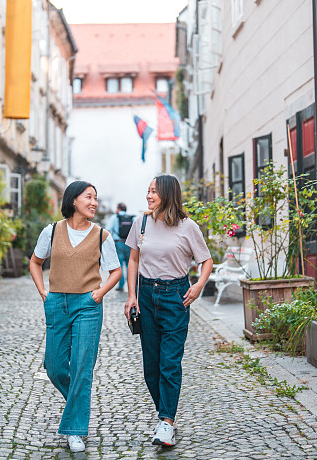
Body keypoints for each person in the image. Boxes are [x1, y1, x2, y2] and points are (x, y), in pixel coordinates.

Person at [29, 181, 122, 453]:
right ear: (73, 200)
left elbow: (115, 271)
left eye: (95, 198)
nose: (94, 202)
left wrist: (99, 293)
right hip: (57, 303)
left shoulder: (102, 235)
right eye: (88, 197)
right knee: (54, 367)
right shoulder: (52, 231)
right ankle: (78, 404)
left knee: (82, 367)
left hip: (87, 306)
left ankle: (75, 430)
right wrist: (43, 292)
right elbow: (35, 262)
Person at [123, 175, 213, 447]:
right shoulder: (141, 223)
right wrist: (132, 295)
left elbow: (206, 260)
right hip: (146, 295)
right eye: (148, 191)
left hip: (175, 297)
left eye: (154, 191)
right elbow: (133, 260)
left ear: (168, 194)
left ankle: (166, 422)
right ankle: (165, 415)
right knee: (151, 368)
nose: (148, 196)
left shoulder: (188, 227)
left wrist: (198, 286)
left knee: (169, 363)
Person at [109, 202, 134, 291]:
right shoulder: (131, 218)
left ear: (118, 209)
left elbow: (108, 229)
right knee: (129, 265)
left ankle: (121, 285)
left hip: (118, 243)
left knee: (119, 265)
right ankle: (131, 286)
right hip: (129, 243)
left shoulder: (114, 217)